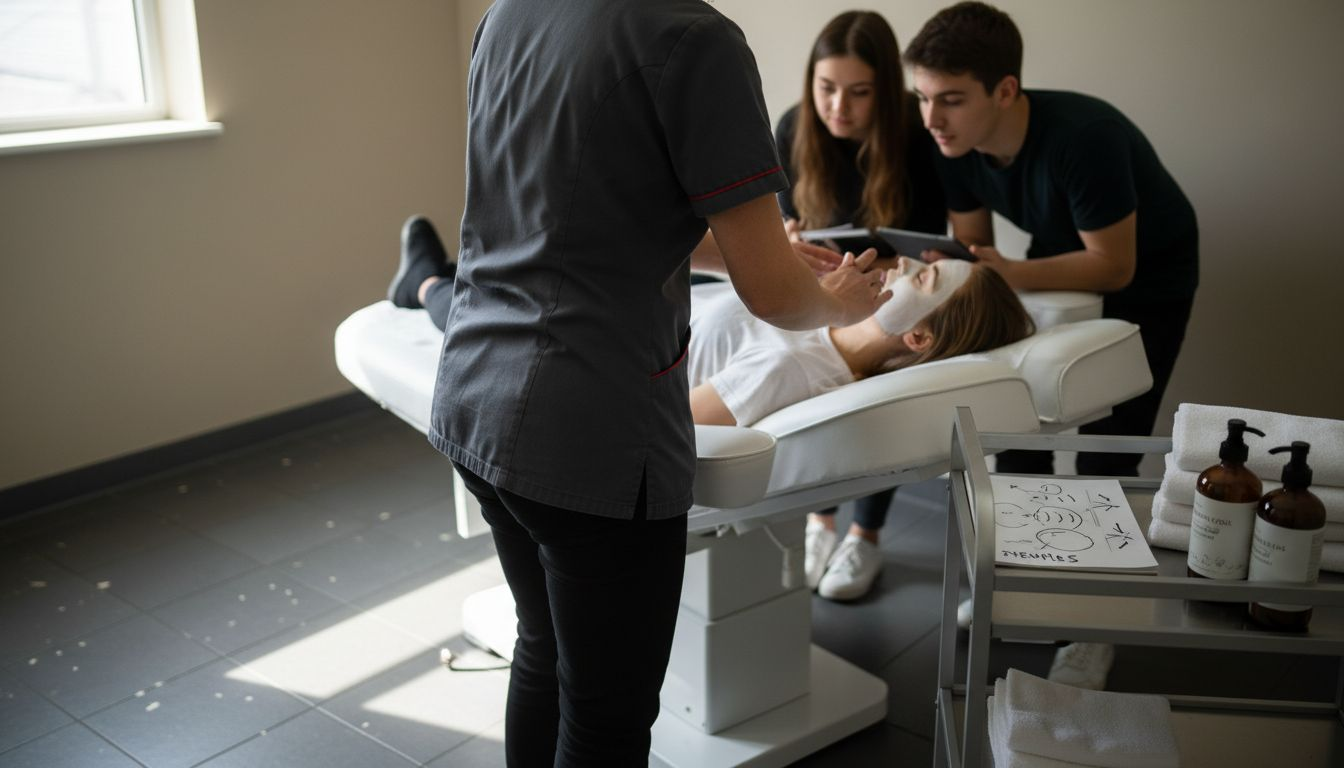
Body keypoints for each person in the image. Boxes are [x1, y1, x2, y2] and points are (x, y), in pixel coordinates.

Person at [416, 3, 889, 765]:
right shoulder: (698, 40)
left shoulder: (512, 12)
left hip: (475, 392)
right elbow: (775, 298)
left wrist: (756, 251)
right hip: (588, 432)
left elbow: (580, 205)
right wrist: (842, 302)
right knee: (605, 716)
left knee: (542, 648)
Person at [393, 219, 1032, 605]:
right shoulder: (819, 316)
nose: (904, 264)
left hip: (593, 364)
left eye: (923, 280)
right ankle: (437, 278)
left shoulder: (792, 368)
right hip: (642, 316)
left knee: (492, 323)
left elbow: (667, 417)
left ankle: (426, 283)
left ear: (917, 338)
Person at [904, 1, 1199, 480]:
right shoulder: (952, 145)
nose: (931, 119)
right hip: (1057, 248)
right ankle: (1023, 522)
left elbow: (1114, 267)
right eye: (922, 97)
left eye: (951, 100)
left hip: (1151, 272)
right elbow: (976, 246)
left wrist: (1010, 273)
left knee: (1108, 446)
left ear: (1005, 91)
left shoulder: (1085, 137)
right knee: (1018, 421)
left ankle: (1099, 522)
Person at [773, 10, 951, 600]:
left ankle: (865, 533)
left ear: (886, 91)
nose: (838, 107)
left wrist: (881, 270)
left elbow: (925, 246)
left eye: (859, 92)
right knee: (814, 388)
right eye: (826, 88)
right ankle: (820, 520)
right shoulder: (794, 126)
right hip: (820, 291)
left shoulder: (915, 136)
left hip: (889, 291)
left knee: (881, 396)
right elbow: (778, 221)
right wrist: (788, 238)